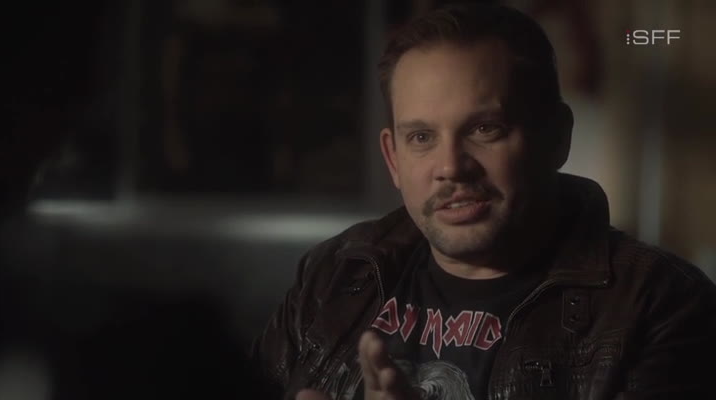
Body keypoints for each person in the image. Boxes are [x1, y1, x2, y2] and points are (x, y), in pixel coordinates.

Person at [251, 3, 716, 400]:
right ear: (393, 158)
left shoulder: (659, 305)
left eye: (484, 129)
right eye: (421, 137)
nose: (451, 167)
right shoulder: (334, 273)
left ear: (556, 137)